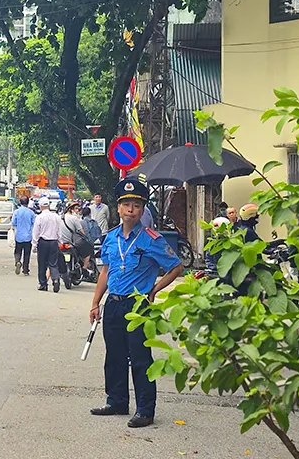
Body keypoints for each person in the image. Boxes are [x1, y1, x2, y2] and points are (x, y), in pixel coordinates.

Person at [89, 178, 184, 428]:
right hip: (114, 304)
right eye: (127, 205)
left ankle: (145, 409)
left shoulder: (151, 239)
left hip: (137, 306)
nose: (131, 210)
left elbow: (176, 266)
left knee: (140, 358)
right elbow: (105, 272)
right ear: (118, 208)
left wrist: (154, 289)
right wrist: (95, 303)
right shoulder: (110, 238)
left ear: (143, 210)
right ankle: (117, 401)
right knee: (115, 356)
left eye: (137, 206)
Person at [32, 197, 63, 292]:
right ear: (48, 206)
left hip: (43, 242)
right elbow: (59, 231)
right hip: (53, 242)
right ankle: (56, 279)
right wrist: (60, 242)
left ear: (41, 206)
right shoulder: (56, 217)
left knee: (42, 264)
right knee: (53, 263)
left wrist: (34, 244)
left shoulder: (39, 217)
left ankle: (43, 284)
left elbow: (36, 232)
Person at [59, 202, 93, 277]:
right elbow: (81, 231)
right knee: (88, 252)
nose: (78, 210)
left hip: (61, 243)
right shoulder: (74, 218)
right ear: (71, 209)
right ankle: (84, 268)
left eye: (79, 209)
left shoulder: (60, 217)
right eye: (76, 208)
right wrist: (86, 237)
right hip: (72, 243)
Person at [11, 196, 36, 276]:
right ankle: (25, 270)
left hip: (19, 236)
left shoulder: (17, 212)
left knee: (18, 251)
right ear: (28, 203)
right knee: (27, 254)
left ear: (20, 203)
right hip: (28, 236)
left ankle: (18, 261)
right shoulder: (31, 213)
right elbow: (34, 224)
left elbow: (13, 223)